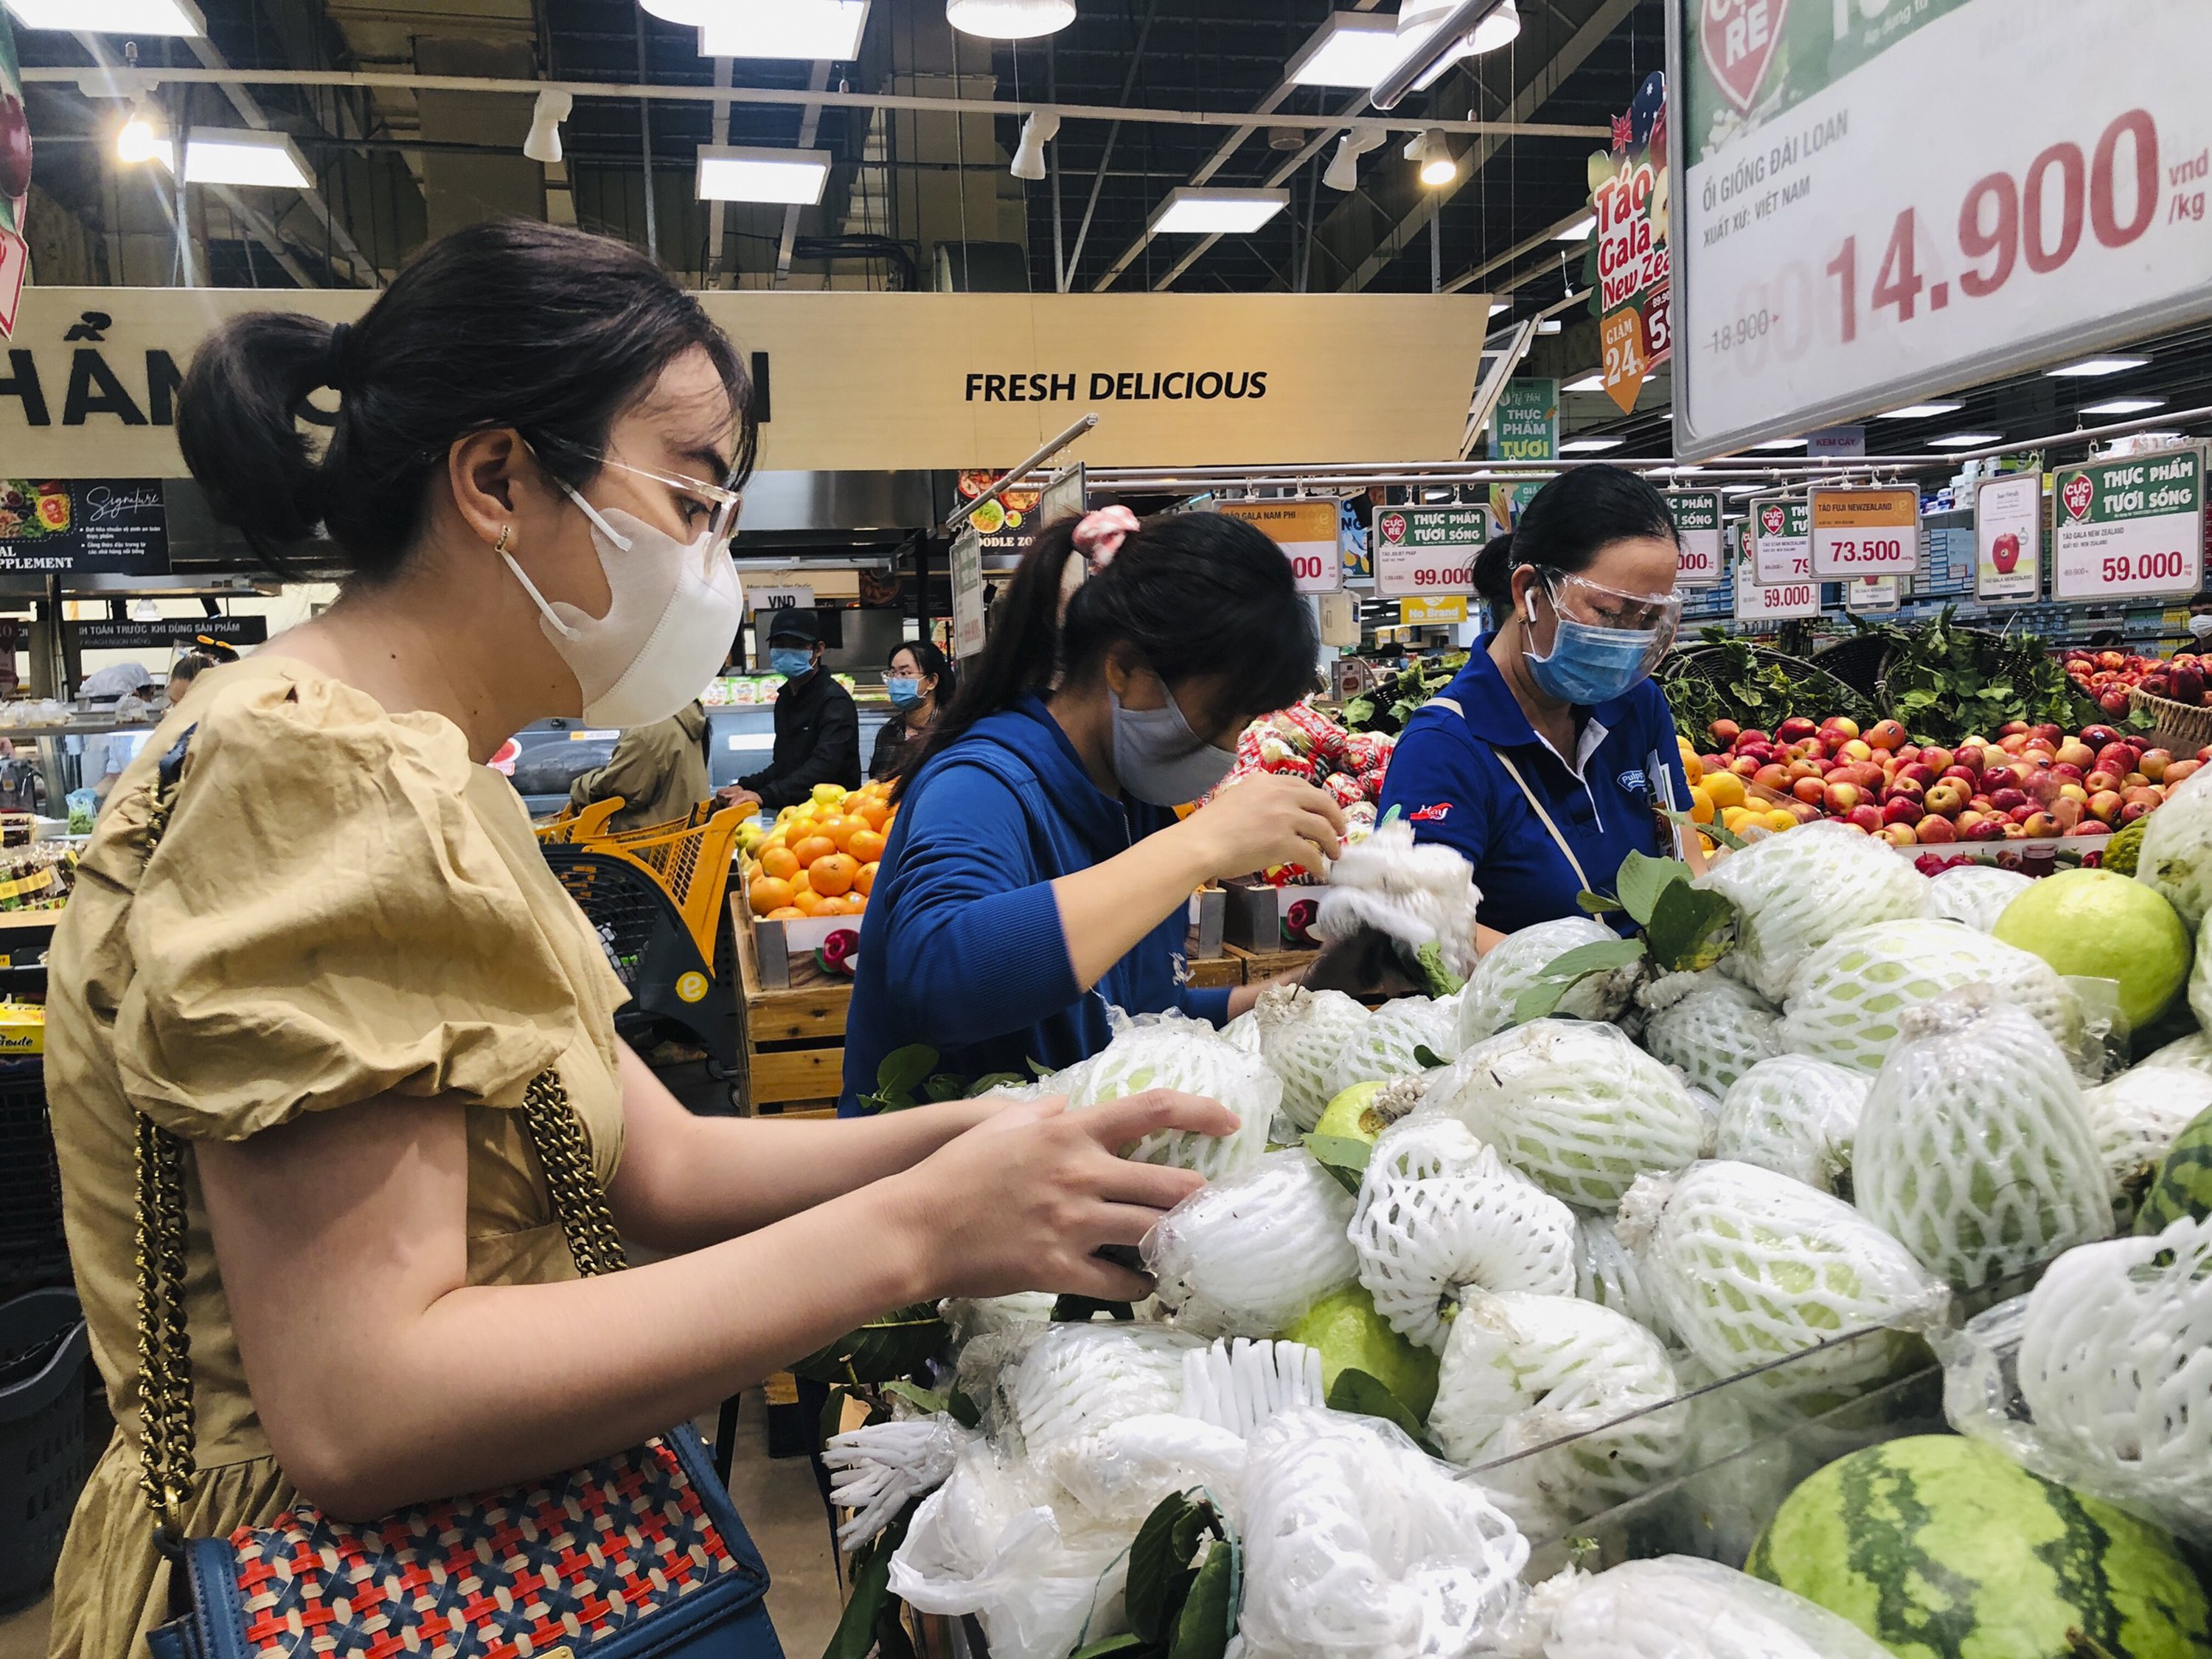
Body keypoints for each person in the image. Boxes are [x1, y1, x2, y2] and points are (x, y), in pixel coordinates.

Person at [42, 221, 1234, 1659]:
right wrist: (918, 1233)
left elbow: (654, 1163)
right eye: (694, 495)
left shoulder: (442, 776)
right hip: (332, 1596)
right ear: (495, 481)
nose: (711, 558)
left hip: (501, 1549)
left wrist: (1008, 1133)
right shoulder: (309, 775)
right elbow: (363, 1406)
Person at [841, 505, 1346, 1111]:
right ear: (1127, 669)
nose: (1228, 749)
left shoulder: (1134, 803)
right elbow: (942, 976)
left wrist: (1309, 990)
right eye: (1222, 716)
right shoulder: (981, 783)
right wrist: (1197, 846)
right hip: (942, 1191)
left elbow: (1139, 1016)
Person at [1380, 465, 1697, 943]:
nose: (1627, 640)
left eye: (1648, 619)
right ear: (1528, 592)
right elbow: (1422, 924)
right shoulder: (1445, 747)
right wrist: (1574, 982)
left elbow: (1683, 854)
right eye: (1608, 613)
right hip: (1521, 1011)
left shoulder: (1639, 705)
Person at [720, 607, 859, 814]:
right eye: (780, 645)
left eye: (798, 645)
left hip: (832, 817)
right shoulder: (786, 698)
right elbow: (785, 766)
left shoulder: (834, 701)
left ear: (818, 649)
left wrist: (764, 795)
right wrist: (746, 786)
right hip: (796, 816)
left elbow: (825, 766)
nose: (787, 652)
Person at [566, 698, 713, 832]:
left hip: (650, 848)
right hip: (680, 840)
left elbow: (618, 787)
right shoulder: (681, 715)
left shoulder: (647, 730)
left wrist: (579, 788)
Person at [870, 639, 955, 782]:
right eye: (892, 673)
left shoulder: (949, 730)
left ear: (931, 681)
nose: (896, 680)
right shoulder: (889, 731)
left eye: (904, 673)